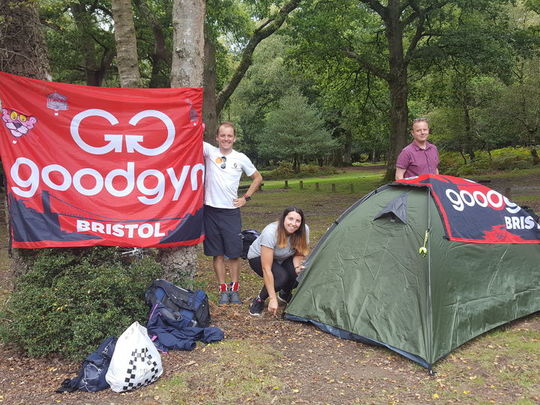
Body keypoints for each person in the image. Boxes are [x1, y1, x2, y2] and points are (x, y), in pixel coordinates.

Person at [203, 122, 263, 305]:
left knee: (234, 254)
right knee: (217, 254)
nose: (226, 139)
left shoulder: (241, 158)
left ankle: (234, 290)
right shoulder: (209, 152)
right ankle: (223, 290)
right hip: (210, 210)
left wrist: (246, 198)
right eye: (223, 135)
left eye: (229, 136)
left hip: (231, 212)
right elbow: (191, 135)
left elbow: (258, 178)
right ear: (217, 138)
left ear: (234, 138)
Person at [247, 207, 309, 316]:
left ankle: (284, 294)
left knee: (297, 275)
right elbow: (266, 269)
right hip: (258, 257)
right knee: (281, 277)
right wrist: (272, 298)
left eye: (298, 221)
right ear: (283, 219)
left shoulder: (304, 230)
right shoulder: (270, 232)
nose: (293, 224)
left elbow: (299, 254)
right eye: (290, 219)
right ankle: (259, 300)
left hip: (283, 257)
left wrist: (297, 268)